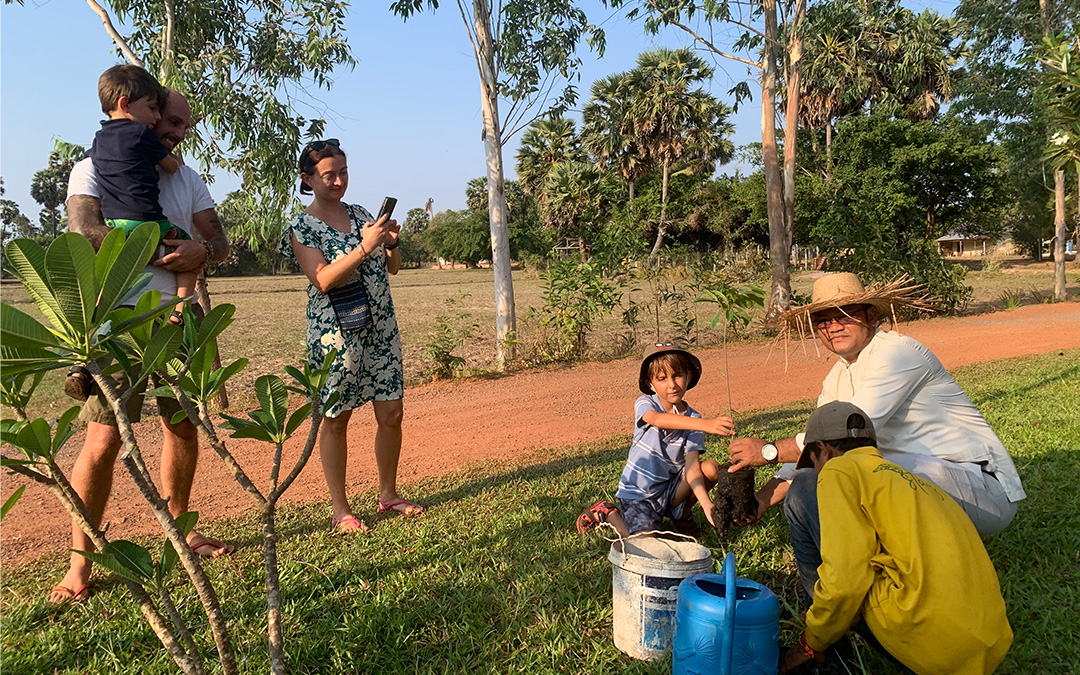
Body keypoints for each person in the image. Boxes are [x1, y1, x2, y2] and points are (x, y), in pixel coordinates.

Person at [51, 89, 234, 604]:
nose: (176, 132)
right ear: (143, 112)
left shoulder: (187, 177)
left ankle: (181, 533)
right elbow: (84, 232)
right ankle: (79, 564)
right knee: (102, 441)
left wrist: (204, 250)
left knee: (183, 428)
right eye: (170, 120)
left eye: (183, 127)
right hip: (116, 322)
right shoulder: (90, 168)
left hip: (179, 323)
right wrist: (156, 251)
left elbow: (219, 243)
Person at [728, 273, 1025, 538]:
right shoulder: (837, 377)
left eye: (845, 315)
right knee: (820, 474)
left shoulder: (897, 354)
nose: (833, 326)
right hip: (916, 482)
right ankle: (834, 583)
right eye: (824, 320)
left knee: (848, 468)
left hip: (982, 493)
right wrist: (764, 498)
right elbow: (816, 450)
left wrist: (769, 451)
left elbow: (846, 433)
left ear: (870, 316)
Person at [778, 401, 1012, 674]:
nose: (818, 470)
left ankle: (826, 654)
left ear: (823, 450)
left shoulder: (837, 470)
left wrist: (811, 640)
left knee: (802, 488)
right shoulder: (916, 482)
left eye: (815, 461)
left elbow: (847, 576)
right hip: (983, 647)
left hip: (927, 639)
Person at [280, 138, 421, 535]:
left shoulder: (360, 214)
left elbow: (392, 268)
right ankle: (341, 510)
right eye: (329, 175)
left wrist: (390, 243)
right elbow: (322, 279)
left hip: (380, 327)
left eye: (343, 172)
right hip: (334, 336)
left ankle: (389, 493)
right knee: (336, 419)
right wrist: (365, 246)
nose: (339, 180)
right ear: (308, 179)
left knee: (391, 413)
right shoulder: (302, 226)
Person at [576, 344, 735, 537]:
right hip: (639, 494)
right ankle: (607, 512)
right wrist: (705, 424)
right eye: (662, 378)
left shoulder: (695, 418)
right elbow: (657, 419)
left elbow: (692, 466)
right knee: (643, 544)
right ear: (650, 384)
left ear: (689, 376)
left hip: (669, 490)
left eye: (678, 375)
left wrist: (706, 503)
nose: (672, 384)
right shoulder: (646, 402)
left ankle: (682, 516)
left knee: (709, 469)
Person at [88, 66, 192, 322]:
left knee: (106, 270)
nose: (156, 117)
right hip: (148, 224)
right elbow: (169, 167)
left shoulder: (99, 139)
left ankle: (94, 318)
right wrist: (173, 160)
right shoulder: (142, 133)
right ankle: (180, 310)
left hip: (115, 227)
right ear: (125, 104)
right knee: (191, 251)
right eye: (152, 108)